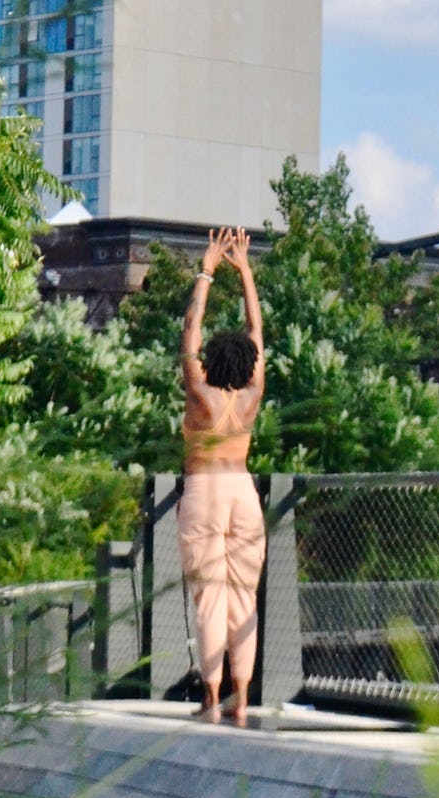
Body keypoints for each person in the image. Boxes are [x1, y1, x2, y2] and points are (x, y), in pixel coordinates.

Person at [179, 226, 266, 726]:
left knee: (210, 597)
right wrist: (246, 273)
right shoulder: (251, 397)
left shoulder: (201, 398)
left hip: (204, 491)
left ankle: (211, 699)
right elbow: (257, 334)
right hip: (242, 490)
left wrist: (206, 271)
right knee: (242, 598)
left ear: (211, 362)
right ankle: (242, 697)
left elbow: (190, 335)